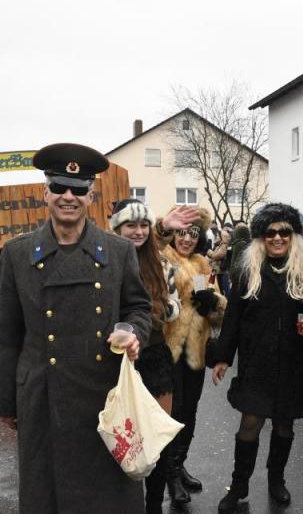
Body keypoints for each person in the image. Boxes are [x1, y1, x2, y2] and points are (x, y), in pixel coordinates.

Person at [0, 143, 151, 513]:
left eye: (78, 189)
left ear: (91, 195)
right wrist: (6, 402)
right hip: (41, 397)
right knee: (47, 494)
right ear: (44, 192)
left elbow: (138, 307)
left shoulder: (118, 251)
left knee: (106, 498)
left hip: (105, 397)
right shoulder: (17, 253)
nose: (69, 197)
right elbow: (8, 335)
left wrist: (132, 332)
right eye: (60, 187)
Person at [211, 203, 303, 512]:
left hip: (291, 363)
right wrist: (222, 357)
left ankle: (277, 480)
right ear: (261, 237)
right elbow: (232, 319)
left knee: (284, 427)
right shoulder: (247, 272)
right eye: (270, 232)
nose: (277, 238)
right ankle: (239, 485)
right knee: (249, 424)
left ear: (293, 236)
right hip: (256, 363)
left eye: (284, 232)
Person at [109, 198, 192, 514]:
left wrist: (152, 313)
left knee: (158, 440)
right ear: (118, 227)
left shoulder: (163, 263)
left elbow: (175, 307)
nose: (138, 231)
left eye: (144, 225)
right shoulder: (104, 263)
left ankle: (154, 504)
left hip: (154, 355)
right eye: (131, 224)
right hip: (118, 360)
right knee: (125, 440)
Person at [154, 206, 227, 506]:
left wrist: (214, 302)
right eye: (182, 232)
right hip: (168, 349)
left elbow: (218, 315)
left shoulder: (202, 264)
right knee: (173, 412)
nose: (186, 239)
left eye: (193, 234)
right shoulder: (162, 257)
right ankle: (169, 475)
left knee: (190, 412)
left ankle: (179, 464)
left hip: (195, 350)